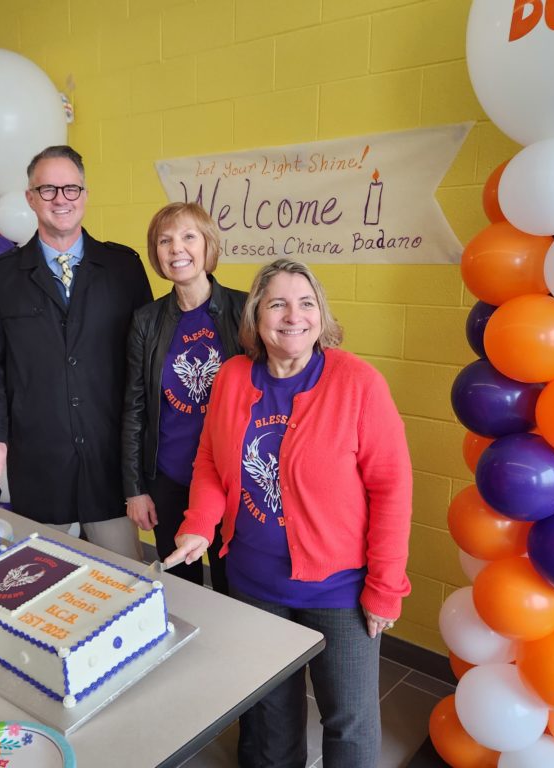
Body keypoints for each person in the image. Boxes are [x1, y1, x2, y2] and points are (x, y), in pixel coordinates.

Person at [166, 258, 413, 768]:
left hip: (338, 590)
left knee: (348, 723)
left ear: (321, 315)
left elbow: (392, 488)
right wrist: (198, 525)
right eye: (277, 303)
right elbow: (211, 460)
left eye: (306, 303)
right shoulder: (234, 376)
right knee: (267, 720)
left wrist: (385, 586)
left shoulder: (358, 383)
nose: (292, 316)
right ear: (257, 316)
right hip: (253, 584)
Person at [0, 145, 153, 559]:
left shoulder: (124, 269)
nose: (60, 199)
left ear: (85, 195)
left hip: (109, 465)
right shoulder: (2, 279)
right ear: (30, 198)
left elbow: (146, 364)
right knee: (43, 578)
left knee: (123, 580)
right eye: (47, 189)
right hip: (40, 462)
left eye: (71, 188)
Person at [121, 202, 246, 593]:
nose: (177, 249)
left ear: (208, 245)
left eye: (188, 237)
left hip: (232, 480)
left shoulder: (245, 309)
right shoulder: (147, 320)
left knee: (235, 589)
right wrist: (135, 488)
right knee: (182, 589)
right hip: (170, 478)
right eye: (165, 240)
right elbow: (134, 407)